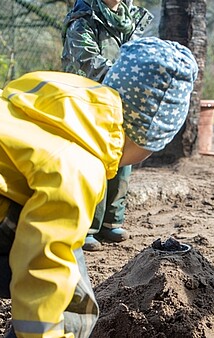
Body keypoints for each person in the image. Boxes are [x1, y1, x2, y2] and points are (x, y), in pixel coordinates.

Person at [0, 36, 198, 338]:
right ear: (144, 135)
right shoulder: (78, 164)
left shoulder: (49, 106)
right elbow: (47, 259)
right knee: (72, 300)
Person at [61, 0, 154, 251]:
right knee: (94, 161)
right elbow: (87, 61)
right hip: (86, 100)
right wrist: (129, 77)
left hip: (120, 99)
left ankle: (111, 222)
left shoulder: (131, 19)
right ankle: (87, 226)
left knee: (121, 157)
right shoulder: (83, 20)